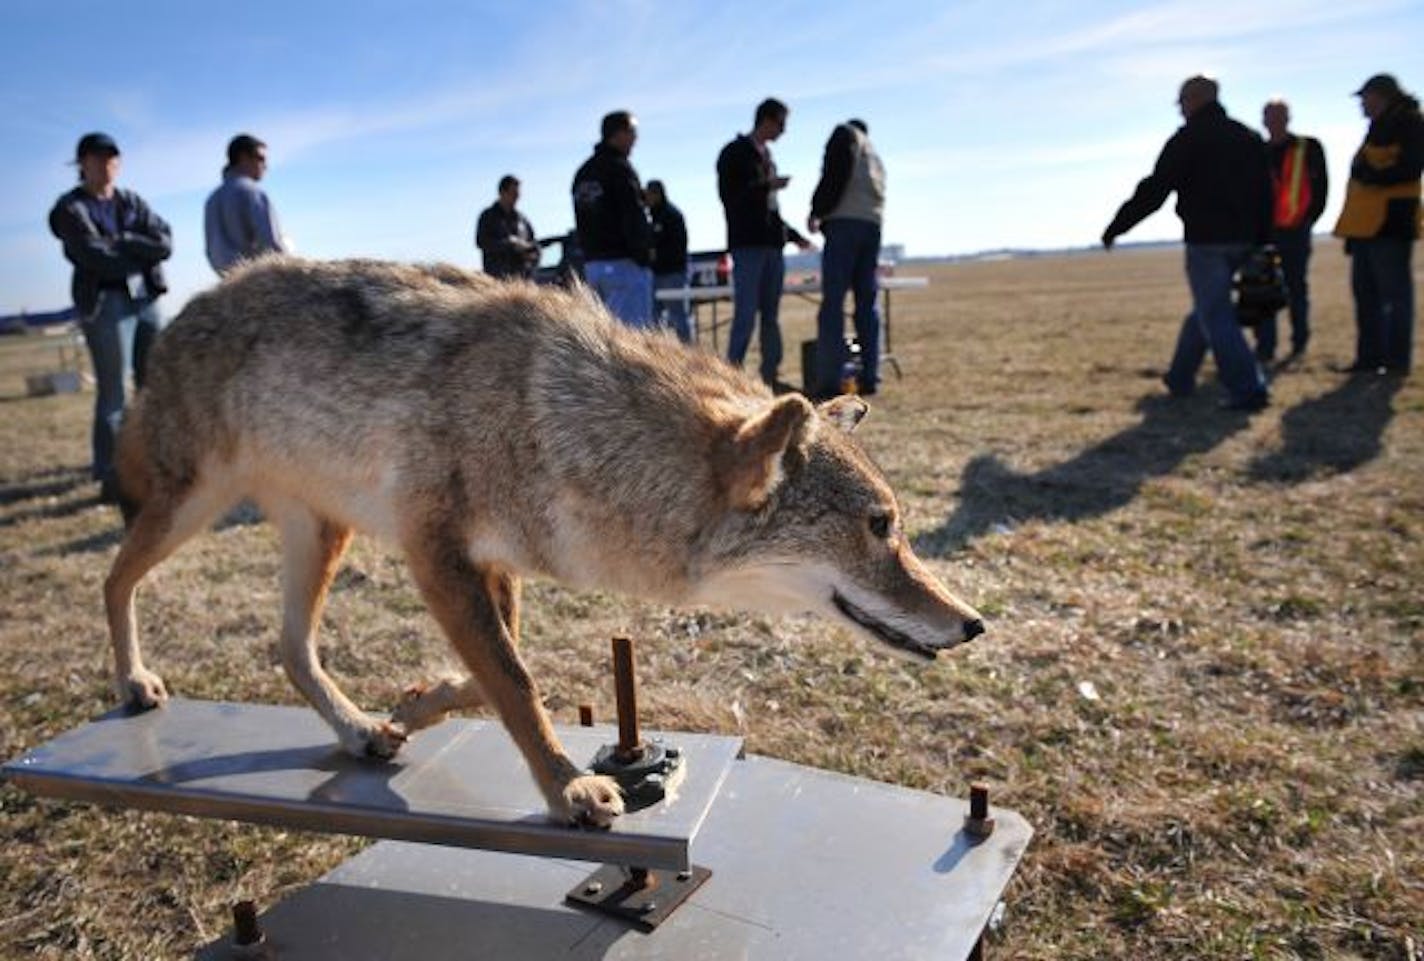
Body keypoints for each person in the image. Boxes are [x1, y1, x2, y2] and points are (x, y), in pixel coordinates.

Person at [1102, 76, 1272, 412]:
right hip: (1247, 239)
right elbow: (1267, 193)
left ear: (1194, 100)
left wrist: (1117, 226)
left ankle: (1248, 388)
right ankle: (1180, 378)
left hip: (1207, 240)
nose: (1180, 109)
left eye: (1181, 102)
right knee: (1207, 310)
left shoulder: (1188, 139)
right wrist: (1264, 238)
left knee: (1215, 313)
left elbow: (1155, 189)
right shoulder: (1248, 137)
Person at [48, 132, 172, 503]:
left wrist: (124, 242)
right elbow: (94, 256)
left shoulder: (131, 201)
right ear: (82, 163)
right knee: (113, 391)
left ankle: (150, 462)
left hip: (145, 300)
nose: (106, 165)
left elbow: (164, 243)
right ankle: (110, 473)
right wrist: (138, 249)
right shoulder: (71, 209)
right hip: (106, 305)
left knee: (153, 386)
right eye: (98, 158)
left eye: (112, 158)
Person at [717, 97, 812, 387]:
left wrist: (794, 237)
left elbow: (771, 211)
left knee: (771, 315)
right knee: (745, 313)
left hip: (773, 247)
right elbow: (731, 198)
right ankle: (729, 376)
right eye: (780, 123)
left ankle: (770, 376)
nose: (783, 131)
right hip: (747, 247)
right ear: (766, 120)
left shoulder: (767, 157)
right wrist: (765, 186)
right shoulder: (734, 153)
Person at [1333, 73, 1422, 376]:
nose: (1361, 105)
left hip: (1389, 223)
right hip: (1364, 225)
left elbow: (1410, 168)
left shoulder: (1409, 122)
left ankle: (1397, 362)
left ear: (1381, 96)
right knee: (1366, 293)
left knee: (1395, 295)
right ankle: (1369, 358)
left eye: (1365, 98)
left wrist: (1371, 175)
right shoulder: (1380, 126)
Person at [807, 118, 887, 398]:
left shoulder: (845, 135)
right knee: (867, 303)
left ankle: (829, 380)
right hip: (872, 226)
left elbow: (834, 174)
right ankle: (870, 376)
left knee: (833, 304)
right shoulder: (874, 154)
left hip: (844, 224)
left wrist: (817, 209)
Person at [1258, 99, 1328, 365]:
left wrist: (1308, 220)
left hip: (1296, 231)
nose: (1274, 121)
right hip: (1265, 233)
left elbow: (1321, 188)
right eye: (1270, 117)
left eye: (1279, 116)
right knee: (1264, 291)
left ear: (1288, 118)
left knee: (1296, 287)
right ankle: (1266, 347)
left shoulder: (1308, 147)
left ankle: (1299, 342)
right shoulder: (1257, 151)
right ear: (1263, 121)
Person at [572, 110, 654, 327]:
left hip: (593, 268)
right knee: (632, 343)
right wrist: (643, 255)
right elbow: (632, 217)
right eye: (633, 131)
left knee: (601, 344)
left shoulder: (582, 173)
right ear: (617, 134)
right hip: (624, 267)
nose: (636, 138)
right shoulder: (620, 169)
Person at [204, 133, 289, 274]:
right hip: (260, 284)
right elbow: (272, 247)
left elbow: (212, 251)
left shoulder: (212, 199)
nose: (265, 166)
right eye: (261, 159)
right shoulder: (253, 193)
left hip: (228, 286)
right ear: (243, 157)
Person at [645, 179, 691, 342]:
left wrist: (655, 254)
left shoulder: (671, 215)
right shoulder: (653, 216)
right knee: (654, 319)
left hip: (673, 273)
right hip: (656, 274)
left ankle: (688, 352)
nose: (646, 199)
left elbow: (677, 246)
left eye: (649, 195)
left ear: (657, 194)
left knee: (678, 317)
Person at [476, 174, 539, 280]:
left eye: (518, 195)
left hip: (521, 280)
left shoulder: (523, 220)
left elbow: (535, 245)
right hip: (497, 280)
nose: (516, 198)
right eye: (513, 194)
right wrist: (509, 244)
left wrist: (530, 254)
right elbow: (481, 242)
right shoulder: (488, 216)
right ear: (502, 193)